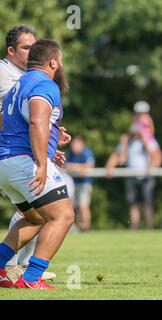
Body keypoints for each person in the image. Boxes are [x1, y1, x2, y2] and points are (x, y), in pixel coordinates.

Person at [0, 39, 74, 289]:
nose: (61, 65)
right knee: (63, 216)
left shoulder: (18, 84)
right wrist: (42, 163)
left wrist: (53, 135)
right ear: (53, 61)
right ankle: (32, 278)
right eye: (60, 60)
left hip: (5, 162)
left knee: (34, 218)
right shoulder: (45, 83)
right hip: (26, 162)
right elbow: (36, 122)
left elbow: (10, 122)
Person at [106, 125, 162, 230]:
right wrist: (110, 166)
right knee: (133, 204)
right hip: (131, 175)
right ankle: (134, 227)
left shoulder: (149, 141)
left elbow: (156, 155)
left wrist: (153, 166)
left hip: (146, 176)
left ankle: (150, 228)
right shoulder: (127, 142)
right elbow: (120, 158)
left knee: (148, 203)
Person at [65, 135, 95, 232]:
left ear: (81, 144)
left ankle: (86, 227)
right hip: (73, 184)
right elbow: (66, 165)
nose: (73, 146)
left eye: (75, 144)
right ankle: (79, 227)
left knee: (84, 206)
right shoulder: (71, 154)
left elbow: (90, 166)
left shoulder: (86, 152)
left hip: (84, 184)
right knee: (76, 207)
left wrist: (75, 167)